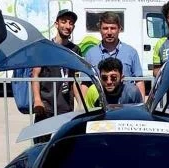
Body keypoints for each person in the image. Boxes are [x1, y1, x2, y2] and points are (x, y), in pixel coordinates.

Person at [31, 9, 81, 144]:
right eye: (64, 22)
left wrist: (80, 104)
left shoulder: (75, 50)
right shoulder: (45, 47)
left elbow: (75, 79)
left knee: (64, 145)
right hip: (46, 106)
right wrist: (37, 100)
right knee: (41, 145)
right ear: (56, 24)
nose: (67, 26)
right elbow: (35, 75)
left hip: (66, 107)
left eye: (71, 23)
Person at [84, 12, 146, 99]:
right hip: (100, 103)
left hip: (125, 103)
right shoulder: (90, 54)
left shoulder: (131, 52)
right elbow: (85, 82)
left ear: (119, 29)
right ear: (100, 30)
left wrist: (141, 105)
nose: (109, 32)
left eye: (113, 28)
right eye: (105, 28)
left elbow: (139, 81)